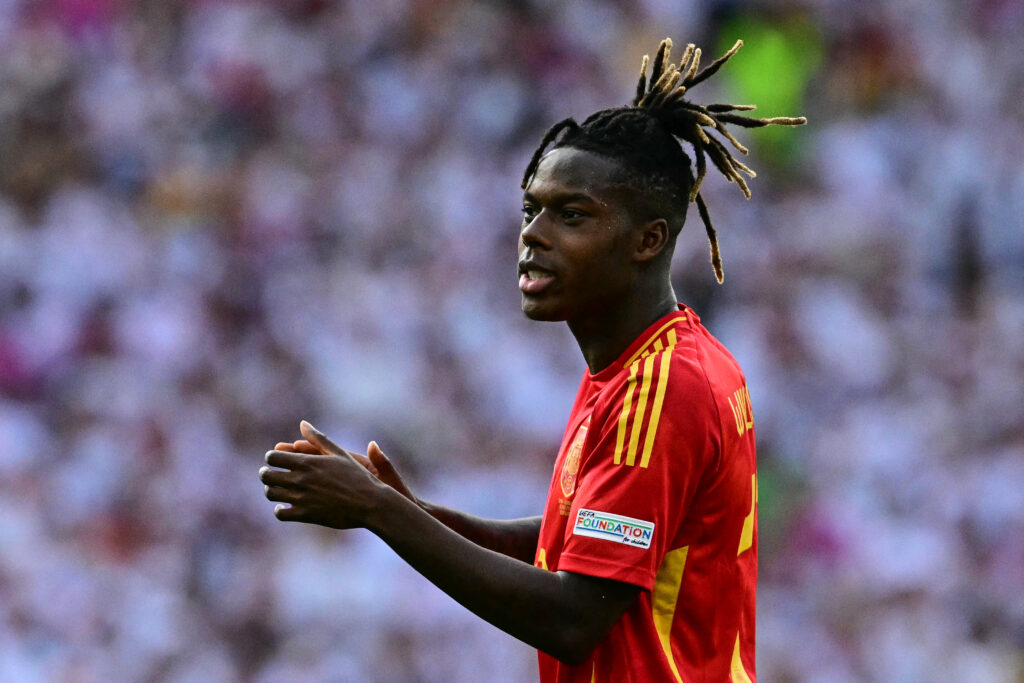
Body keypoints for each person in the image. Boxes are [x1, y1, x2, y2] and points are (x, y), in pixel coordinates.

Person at [260, 38, 804, 682]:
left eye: (571, 215)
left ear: (647, 241)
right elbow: (577, 547)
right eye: (531, 209)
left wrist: (382, 512)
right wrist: (401, 508)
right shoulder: (650, 363)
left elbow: (574, 617)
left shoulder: (660, 390)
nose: (532, 236)